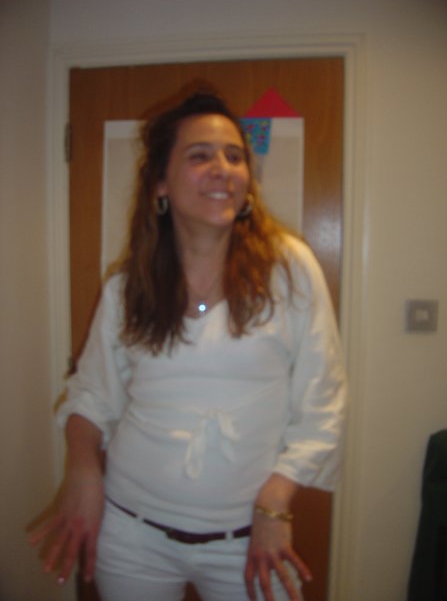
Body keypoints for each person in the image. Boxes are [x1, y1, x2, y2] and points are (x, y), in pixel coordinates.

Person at [30, 89, 347, 601]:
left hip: (249, 540)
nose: (223, 169)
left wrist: (275, 502)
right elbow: (91, 396)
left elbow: (324, 403)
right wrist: (83, 470)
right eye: (200, 156)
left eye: (234, 156)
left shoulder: (290, 270)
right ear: (160, 182)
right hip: (132, 535)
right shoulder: (128, 287)